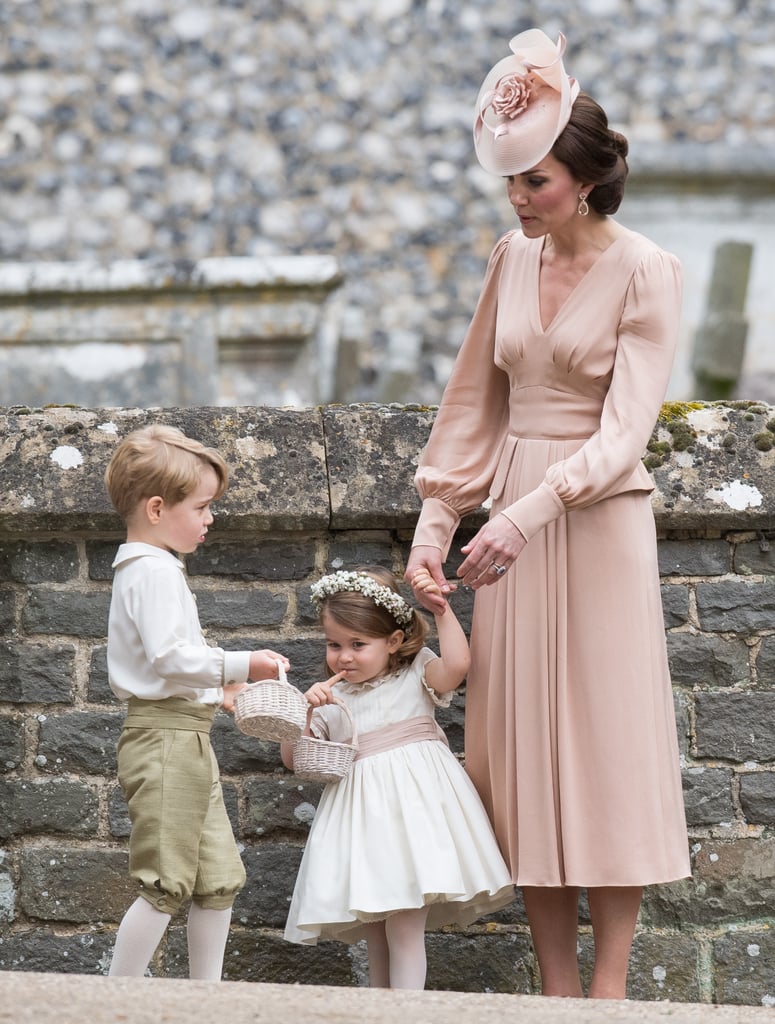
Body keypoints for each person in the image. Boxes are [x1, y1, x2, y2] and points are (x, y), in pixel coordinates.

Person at [405, 28, 690, 1000]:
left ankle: (608, 993)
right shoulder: (509, 259)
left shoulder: (646, 269)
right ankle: (555, 992)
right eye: (511, 181)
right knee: (519, 747)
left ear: (584, 179)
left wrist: (526, 510)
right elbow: (469, 402)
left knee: (605, 745)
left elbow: (623, 436)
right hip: (508, 528)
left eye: (535, 181)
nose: (518, 198)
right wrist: (434, 527)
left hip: (594, 518)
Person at [103, 423, 290, 980]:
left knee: (217, 877)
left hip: (185, 735)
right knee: (166, 883)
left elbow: (174, 660)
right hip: (163, 740)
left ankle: (205, 1001)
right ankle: (114, 1001)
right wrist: (241, 664)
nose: (210, 519)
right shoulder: (151, 572)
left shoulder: (155, 567)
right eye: (203, 507)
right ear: (157, 508)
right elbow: (168, 658)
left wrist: (221, 691)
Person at [281, 567, 514, 989]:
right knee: (375, 932)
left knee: (404, 930)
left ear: (392, 642)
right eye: (334, 644)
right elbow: (294, 757)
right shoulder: (334, 699)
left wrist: (441, 610)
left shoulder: (416, 673)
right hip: (363, 825)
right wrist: (306, 712)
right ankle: (381, 1008)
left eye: (358, 644)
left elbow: (459, 665)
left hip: (416, 818)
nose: (344, 656)